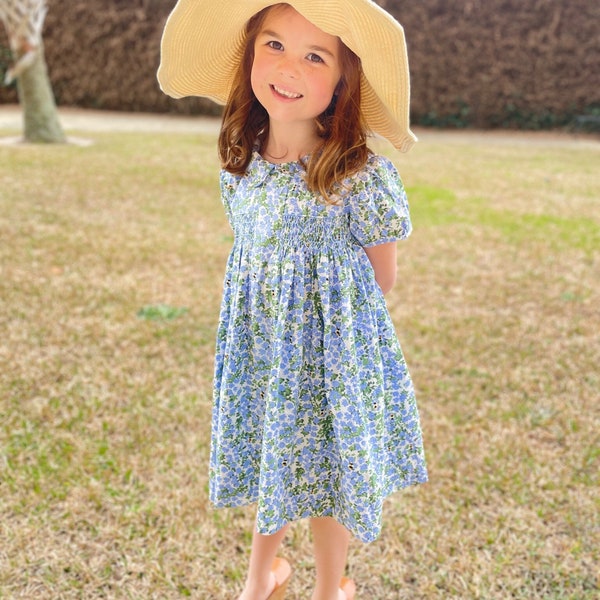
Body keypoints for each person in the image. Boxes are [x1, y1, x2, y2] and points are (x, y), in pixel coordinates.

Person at [158, 1, 427, 598]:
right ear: (250, 56)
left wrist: (320, 310)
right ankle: (262, 575)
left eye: (315, 56)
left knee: (329, 474)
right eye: (273, 46)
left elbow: (382, 278)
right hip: (265, 356)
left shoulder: (357, 173)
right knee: (273, 460)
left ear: (340, 81)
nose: (289, 67)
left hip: (333, 357)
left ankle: (331, 586)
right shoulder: (242, 164)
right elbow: (249, 260)